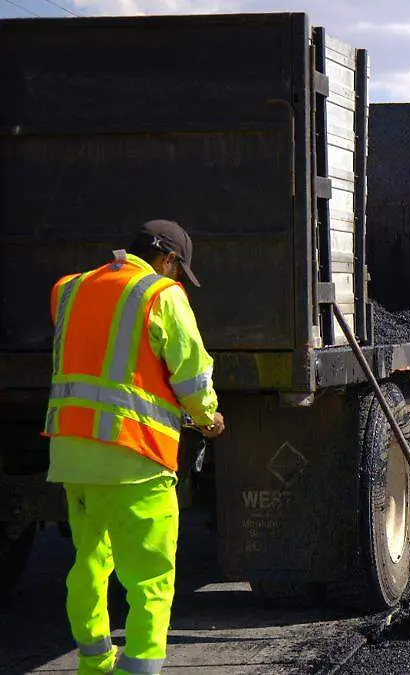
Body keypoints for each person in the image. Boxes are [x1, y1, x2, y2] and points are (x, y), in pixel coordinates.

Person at [43, 219, 226, 675]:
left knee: (88, 564)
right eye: (179, 270)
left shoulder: (70, 288)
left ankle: (95, 663)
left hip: (72, 456)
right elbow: (191, 376)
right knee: (150, 579)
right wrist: (207, 419)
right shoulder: (161, 295)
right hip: (137, 459)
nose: (178, 279)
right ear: (167, 259)